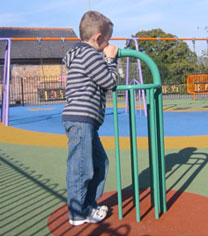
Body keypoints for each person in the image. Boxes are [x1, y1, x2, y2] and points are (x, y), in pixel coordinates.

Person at [62, 10, 119, 226]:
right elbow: (109, 81)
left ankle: (88, 204)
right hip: (80, 119)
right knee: (81, 167)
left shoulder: (79, 54)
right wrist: (110, 59)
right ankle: (78, 213)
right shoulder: (89, 55)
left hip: (86, 121)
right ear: (98, 38)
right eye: (108, 41)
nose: (108, 45)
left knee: (99, 163)